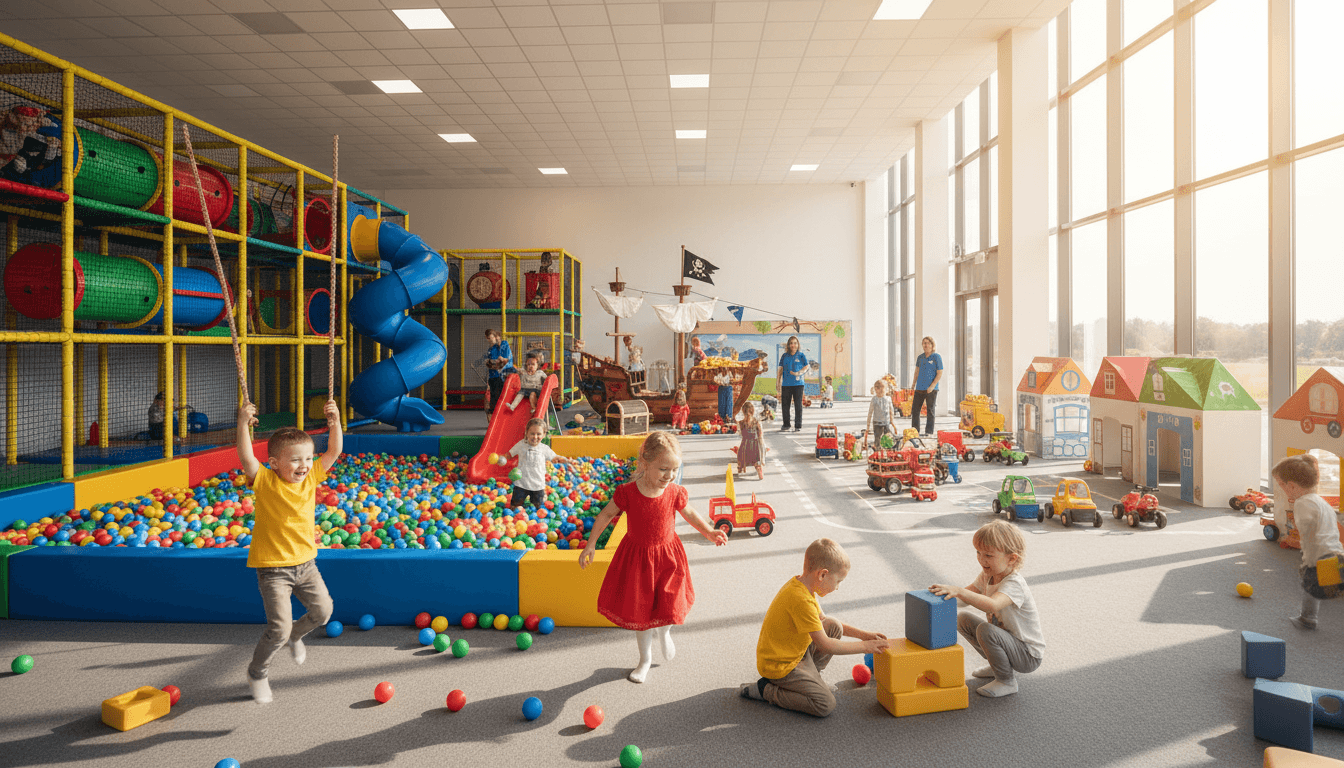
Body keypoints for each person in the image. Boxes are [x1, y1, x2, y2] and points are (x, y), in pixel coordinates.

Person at [578, 432, 727, 683]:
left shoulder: (674, 492)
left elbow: (688, 513)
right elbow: (605, 515)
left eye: (674, 470)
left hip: (668, 556)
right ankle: (644, 660)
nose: (669, 476)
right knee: (642, 612)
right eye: (663, 469)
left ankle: (665, 632)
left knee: (669, 603)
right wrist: (590, 544)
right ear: (645, 463)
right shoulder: (628, 492)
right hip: (638, 559)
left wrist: (709, 531)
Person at [236, 398, 342, 705]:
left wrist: (334, 422)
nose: (304, 465)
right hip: (273, 568)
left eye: (308, 458)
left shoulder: (310, 480)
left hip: (306, 564)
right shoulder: (265, 481)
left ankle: (298, 634)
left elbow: (333, 452)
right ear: (274, 463)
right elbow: (245, 456)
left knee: (323, 612)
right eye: (295, 460)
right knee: (278, 629)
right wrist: (243, 422)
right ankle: (257, 672)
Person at [740, 538, 890, 717]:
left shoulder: (804, 586)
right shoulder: (801, 600)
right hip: (780, 666)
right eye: (838, 581)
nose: (837, 588)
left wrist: (863, 635)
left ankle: (811, 678)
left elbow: (823, 620)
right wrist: (866, 647)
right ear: (822, 575)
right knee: (824, 704)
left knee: (833, 626)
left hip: (796, 652)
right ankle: (766, 690)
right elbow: (825, 645)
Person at [930, 520, 1045, 698]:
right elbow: (964, 598)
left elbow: (992, 604)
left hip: (1028, 655)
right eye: (978, 552)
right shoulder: (987, 575)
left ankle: (1007, 681)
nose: (981, 559)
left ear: (1011, 558)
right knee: (963, 619)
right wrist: (943, 596)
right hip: (1008, 643)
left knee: (986, 630)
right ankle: (998, 666)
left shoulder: (1014, 584)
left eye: (988, 556)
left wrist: (959, 591)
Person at [1273, 454, 1343, 630]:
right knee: (1329, 584)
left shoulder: (1302, 502)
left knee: (1309, 586)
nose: (1282, 489)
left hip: (1319, 557)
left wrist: (1295, 541)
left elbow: (1308, 530)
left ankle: (1308, 618)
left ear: (1292, 486)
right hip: (1336, 553)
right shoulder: (1322, 502)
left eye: (1282, 485)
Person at [508, 417, 575, 509]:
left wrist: (563, 459)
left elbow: (555, 457)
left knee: (537, 508)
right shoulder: (521, 444)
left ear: (544, 435)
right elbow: (509, 454)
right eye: (532, 433)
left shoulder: (544, 448)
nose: (535, 437)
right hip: (521, 484)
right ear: (527, 433)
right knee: (514, 507)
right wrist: (501, 459)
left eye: (538, 434)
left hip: (538, 485)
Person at [910, 336, 943, 436]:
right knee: (915, 410)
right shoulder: (920, 357)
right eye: (924, 343)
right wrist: (913, 384)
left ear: (932, 345)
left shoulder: (936, 357)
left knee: (930, 411)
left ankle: (929, 432)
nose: (926, 345)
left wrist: (932, 386)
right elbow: (917, 372)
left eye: (928, 343)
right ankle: (915, 431)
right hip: (919, 388)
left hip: (931, 390)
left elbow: (939, 373)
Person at [776, 335, 808, 433]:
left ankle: (798, 425)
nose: (793, 345)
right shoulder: (784, 356)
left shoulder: (801, 355)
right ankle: (786, 425)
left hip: (798, 384)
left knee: (798, 405)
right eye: (791, 343)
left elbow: (806, 366)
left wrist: (798, 373)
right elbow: (780, 369)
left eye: (795, 343)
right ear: (788, 345)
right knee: (785, 405)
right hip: (786, 384)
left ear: (798, 345)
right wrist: (778, 382)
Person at [484, 328, 513, 419]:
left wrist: (501, 362)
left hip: (502, 375)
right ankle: (493, 417)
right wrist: (490, 363)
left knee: (501, 395)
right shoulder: (492, 349)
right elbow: (491, 363)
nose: (491, 340)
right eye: (488, 338)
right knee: (493, 396)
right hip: (493, 375)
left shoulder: (504, 344)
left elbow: (506, 360)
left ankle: (501, 415)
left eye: (492, 338)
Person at [736, 401, 765, 480]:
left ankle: (740, 467)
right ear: (753, 411)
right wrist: (763, 448)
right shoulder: (756, 422)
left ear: (743, 411)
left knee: (741, 456)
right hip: (754, 445)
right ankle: (759, 469)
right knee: (756, 459)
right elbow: (760, 435)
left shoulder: (741, 423)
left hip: (745, 445)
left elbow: (740, 434)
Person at [865, 378, 896, 450]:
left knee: (887, 437)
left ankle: (887, 450)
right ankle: (877, 450)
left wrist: (892, 421)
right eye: (877, 389)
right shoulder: (874, 399)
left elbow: (891, 411)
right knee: (877, 438)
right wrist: (868, 425)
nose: (879, 392)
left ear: (886, 390)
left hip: (886, 422)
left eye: (882, 389)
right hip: (876, 423)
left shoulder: (888, 399)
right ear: (875, 390)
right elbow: (870, 412)